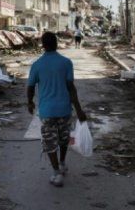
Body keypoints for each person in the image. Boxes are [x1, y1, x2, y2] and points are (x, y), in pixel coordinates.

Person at [27, 32, 87, 187]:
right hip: (64, 110)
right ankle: (62, 163)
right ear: (56, 43)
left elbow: (30, 87)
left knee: (49, 142)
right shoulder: (66, 63)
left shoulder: (37, 64)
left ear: (43, 45)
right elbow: (71, 88)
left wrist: (30, 103)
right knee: (63, 139)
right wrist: (79, 110)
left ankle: (56, 173)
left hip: (47, 112)